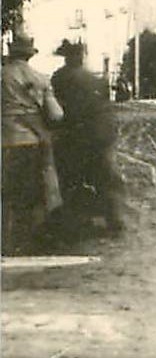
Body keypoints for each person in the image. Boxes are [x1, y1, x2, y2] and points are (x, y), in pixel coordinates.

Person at [48, 40, 125, 235]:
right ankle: (113, 217)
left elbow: (58, 110)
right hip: (101, 135)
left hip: (75, 136)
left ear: (67, 58)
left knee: (71, 176)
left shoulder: (59, 78)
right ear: (81, 57)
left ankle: (79, 219)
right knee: (105, 177)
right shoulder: (96, 79)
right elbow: (105, 108)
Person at [2, 34, 64, 254]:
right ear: (29, 54)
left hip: (3, 142)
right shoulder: (40, 79)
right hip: (29, 141)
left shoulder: (2, 76)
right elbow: (56, 115)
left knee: (6, 192)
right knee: (31, 192)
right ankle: (26, 240)